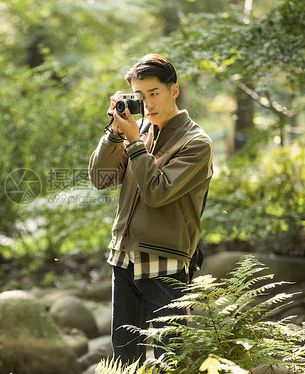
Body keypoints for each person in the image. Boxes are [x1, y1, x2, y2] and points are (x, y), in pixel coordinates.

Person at [88, 53, 213, 365]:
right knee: (124, 359)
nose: (148, 105)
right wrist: (115, 134)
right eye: (140, 96)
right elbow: (101, 178)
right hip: (124, 257)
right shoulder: (138, 130)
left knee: (168, 358)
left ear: (174, 90)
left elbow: (158, 193)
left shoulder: (196, 143)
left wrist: (133, 144)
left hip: (165, 264)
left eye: (154, 93)